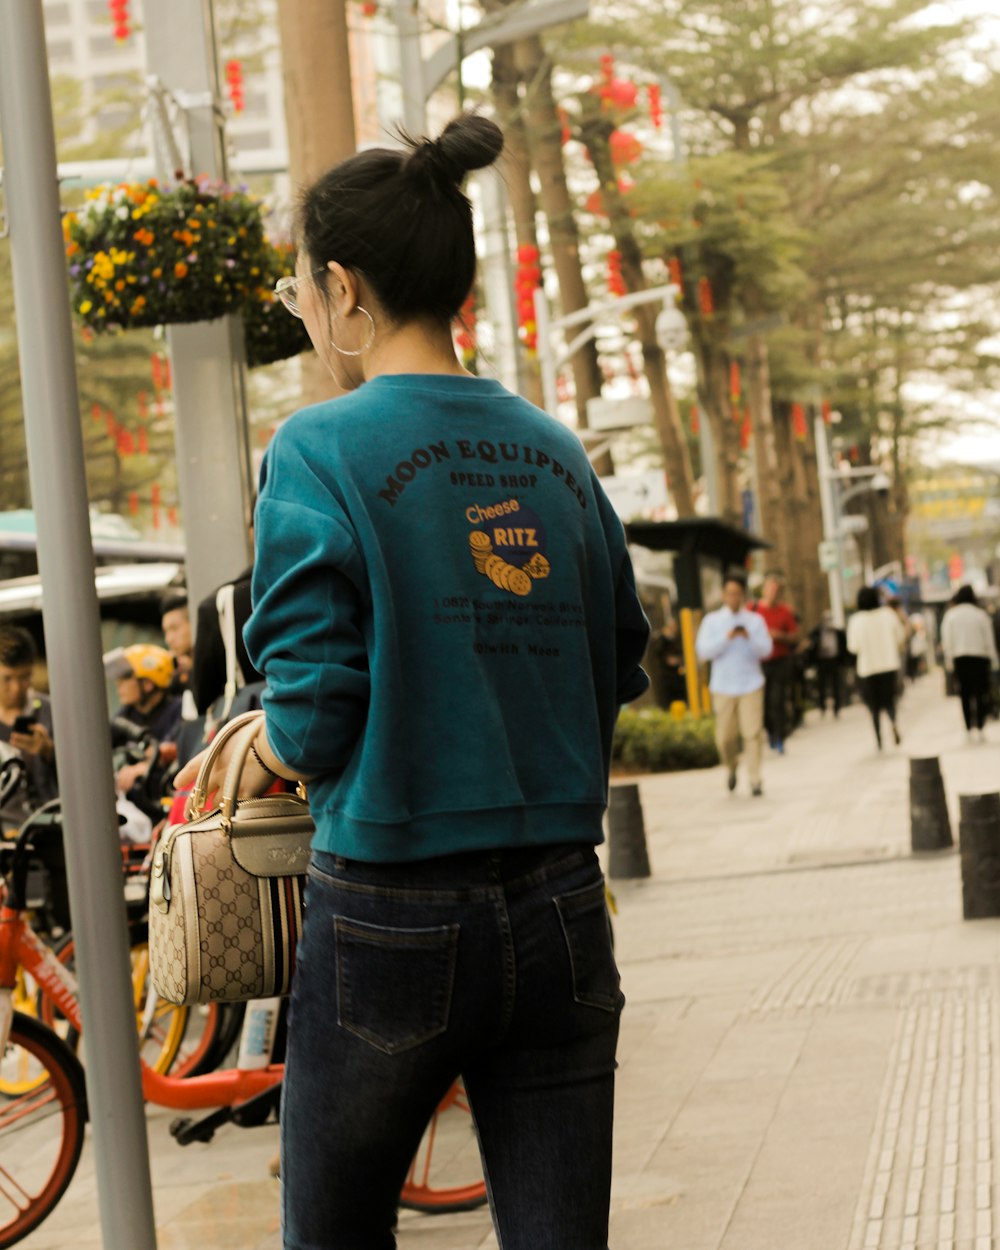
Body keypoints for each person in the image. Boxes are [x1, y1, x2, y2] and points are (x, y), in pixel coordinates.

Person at [174, 113, 650, 1250]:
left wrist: (260, 749)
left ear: (344, 289)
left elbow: (317, 707)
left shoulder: (319, 448)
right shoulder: (556, 450)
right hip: (563, 900)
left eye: (300, 292)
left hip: (391, 904)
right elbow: (616, 654)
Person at [696, 573, 773, 796]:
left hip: (751, 683)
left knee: (752, 733)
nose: (733, 597)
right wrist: (727, 638)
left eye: (737, 594)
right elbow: (703, 651)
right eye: (729, 593)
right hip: (723, 686)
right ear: (723, 595)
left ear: (743, 595)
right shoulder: (712, 621)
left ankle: (755, 778)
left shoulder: (754, 621)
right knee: (725, 738)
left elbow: (766, 650)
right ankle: (730, 768)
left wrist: (748, 637)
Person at [104, 644, 182, 805]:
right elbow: (101, 744)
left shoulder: (179, 708)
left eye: (126, 676)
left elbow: (180, 747)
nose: (118, 684)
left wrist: (146, 764)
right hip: (135, 804)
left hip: (168, 799)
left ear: (147, 683)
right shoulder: (126, 713)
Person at [0, 624, 57, 832]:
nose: (16, 688)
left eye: (24, 677)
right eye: (7, 678)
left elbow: (82, 773)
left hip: (49, 827)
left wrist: (49, 751)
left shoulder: (51, 711)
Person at [846, 587, 907, 750]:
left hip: (867, 668)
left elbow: (853, 647)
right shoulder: (888, 615)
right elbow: (900, 637)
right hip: (888, 664)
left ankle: (879, 738)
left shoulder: (856, 620)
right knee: (890, 701)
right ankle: (893, 723)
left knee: (873, 706)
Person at [940, 584, 998, 741]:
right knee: (980, 693)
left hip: (960, 659)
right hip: (980, 658)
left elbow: (947, 641)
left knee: (964, 694)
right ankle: (980, 727)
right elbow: (988, 640)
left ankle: (967, 729)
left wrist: (949, 663)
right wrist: (994, 660)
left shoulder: (951, 615)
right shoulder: (980, 615)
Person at [751, 571, 799, 753]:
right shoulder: (753, 610)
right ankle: (770, 732)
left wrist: (780, 636)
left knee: (777, 700)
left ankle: (779, 737)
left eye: (776, 590)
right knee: (762, 702)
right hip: (759, 663)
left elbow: (795, 637)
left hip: (780, 661)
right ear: (763, 590)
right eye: (769, 589)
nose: (772, 593)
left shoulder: (785, 611)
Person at [809, 611, 848, 717]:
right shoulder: (817, 632)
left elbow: (843, 647)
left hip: (834, 660)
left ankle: (837, 708)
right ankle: (822, 707)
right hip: (821, 661)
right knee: (822, 685)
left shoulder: (838, 632)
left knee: (836, 684)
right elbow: (812, 647)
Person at [160, 595, 193, 698]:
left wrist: (192, 671)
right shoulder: (177, 675)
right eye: (165, 632)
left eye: (174, 628)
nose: (168, 639)